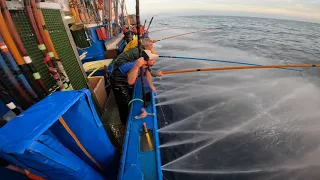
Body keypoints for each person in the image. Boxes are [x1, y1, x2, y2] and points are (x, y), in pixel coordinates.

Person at [110, 39, 160, 125]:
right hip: (118, 78)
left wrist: (151, 86)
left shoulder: (144, 57)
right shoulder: (137, 61)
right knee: (123, 103)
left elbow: (148, 71)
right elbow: (130, 81)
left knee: (129, 94)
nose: (154, 61)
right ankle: (125, 123)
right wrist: (136, 66)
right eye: (153, 60)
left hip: (127, 74)